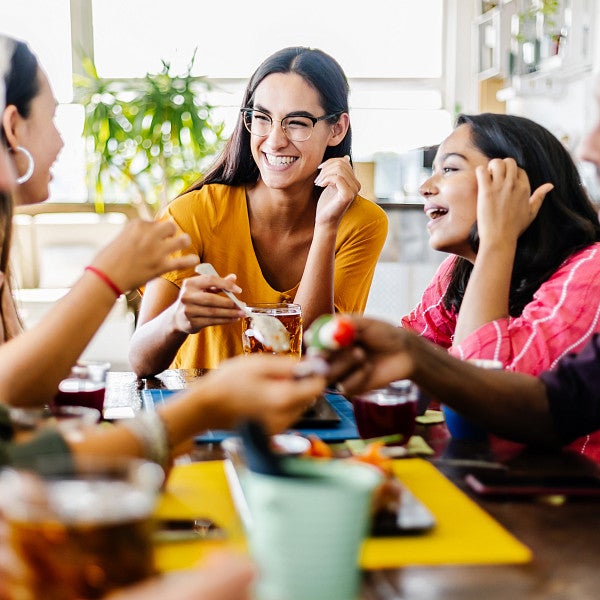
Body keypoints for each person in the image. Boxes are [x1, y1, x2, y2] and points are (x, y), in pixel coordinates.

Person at [129, 46, 388, 375]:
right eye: (262, 118)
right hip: (203, 416)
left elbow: (313, 351)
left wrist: (326, 225)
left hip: (305, 420)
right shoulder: (194, 213)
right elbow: (140, 362)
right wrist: (176, 318)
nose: (275, 141)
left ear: (336, 129)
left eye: (297, 123)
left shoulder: (361, 223)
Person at [402, 113, 600, 379]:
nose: (424, 188)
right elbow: (400, 366)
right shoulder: (459, 269)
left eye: (449, 169)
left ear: (516, 184)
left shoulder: (591, 271)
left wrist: (497, 240)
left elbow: (479, 400)